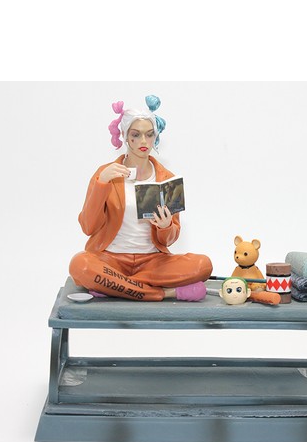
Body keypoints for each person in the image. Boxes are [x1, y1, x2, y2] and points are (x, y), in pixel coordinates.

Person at [69, 96, 212, 302]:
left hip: (153, 262)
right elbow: (88, 227)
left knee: (203, 265)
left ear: (156, 137)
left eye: (149, 134)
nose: (143, 141)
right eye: (136, 135)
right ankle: (162, 293)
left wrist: (165, 226)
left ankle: (113, 285)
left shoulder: (167, 178)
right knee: (80, 265)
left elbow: (171, 239)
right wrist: (102, 184)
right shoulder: (105, 174)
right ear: (125, 137)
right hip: (110, 259)